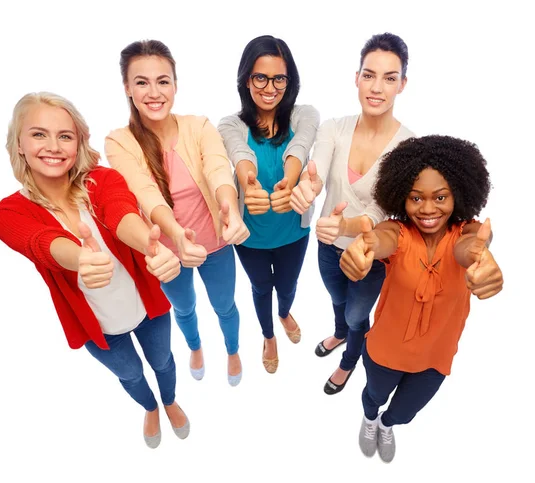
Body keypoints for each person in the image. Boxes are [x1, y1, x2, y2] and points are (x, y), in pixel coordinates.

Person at [0, 92, 189, 449]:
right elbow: (40, 241)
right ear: (18, 143)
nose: (53, 146)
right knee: (129, 374)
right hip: (96, 325)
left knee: (162, 361)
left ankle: (170, 400)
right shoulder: (7, 213)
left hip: (146, 308)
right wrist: (80, 258)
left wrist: (149, 244)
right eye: (39, 134)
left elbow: (120, 212)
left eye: (65, 135)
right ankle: (150, 407)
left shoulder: (102, 180)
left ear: (79, 141)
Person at [340, 134, 503, 462]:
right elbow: (383, 239)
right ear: (402, 198)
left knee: (405, 412)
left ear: (458, 194)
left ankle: (386, 424)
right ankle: (370, 417)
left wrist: (480, 256)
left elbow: (471, 245)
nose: (428, 209)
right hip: (386, 350)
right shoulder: (399, 233)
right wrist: (365, 248)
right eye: (416, 198)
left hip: (434, 358)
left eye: (440, 197)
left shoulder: (464, 233)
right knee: (373, 395)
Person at [105, 40, 249, 386]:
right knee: (184, 309)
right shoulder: (119, 141)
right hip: (167, 253)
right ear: (127, 87)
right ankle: (195, 346)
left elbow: (217, 167)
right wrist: (176, 235)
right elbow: (144, 190)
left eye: (163, 81)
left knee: (225, 305)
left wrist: (230, 208)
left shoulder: (198, 126)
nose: (154, 92)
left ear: (175, 85)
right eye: (142, 82)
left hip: (215, 243)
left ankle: (232, 349)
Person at [290, 33, 413, 393]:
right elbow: (317, 171)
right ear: (356, 77)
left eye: (390, 78)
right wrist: (307, 188)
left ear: (402, 85)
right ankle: (340, 334)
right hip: (328, 246)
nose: (377, 87)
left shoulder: (407, 146)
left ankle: (348, 360)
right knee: (338, 301)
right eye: (369, 75)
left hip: (370, 256)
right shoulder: (333, 128)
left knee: (358, 314)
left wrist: (350, 224)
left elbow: (384, 209)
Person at [218, 35, 319, 373]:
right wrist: (249, 181)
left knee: (287, 287)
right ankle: (268, 335)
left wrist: (290, 182)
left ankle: (285, 313)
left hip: (294, 231)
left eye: (279, 78)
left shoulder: (305, 114)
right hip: (251, 237)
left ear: (290, 81)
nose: (270, 87)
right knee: (261, 287)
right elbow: (239, 152)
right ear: (246, 79)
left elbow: (301, 146)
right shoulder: (230, 123)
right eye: (260, 77)